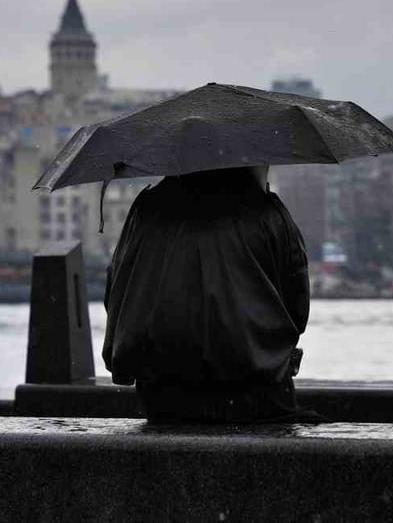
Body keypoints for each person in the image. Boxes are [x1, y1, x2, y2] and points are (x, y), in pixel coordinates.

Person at [102, 165, 318, 423]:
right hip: (255, 394)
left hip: (162, 398)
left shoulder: (146, 210)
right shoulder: (265, 211)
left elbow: (116, 294)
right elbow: (297, 309)